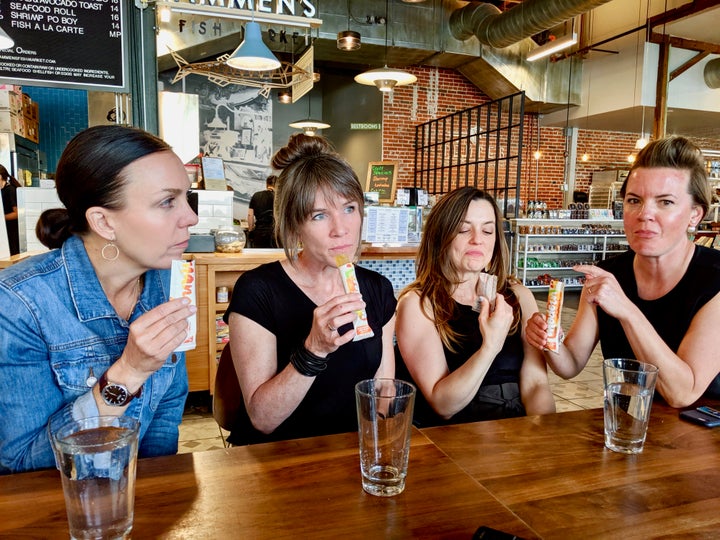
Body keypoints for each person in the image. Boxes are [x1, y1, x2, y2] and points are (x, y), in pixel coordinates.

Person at [0, 125, 199, 474]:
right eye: (168, 201)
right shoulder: (18, 304)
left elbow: (166, 416)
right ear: (104, 222)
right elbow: (21, 468)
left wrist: (153, 498)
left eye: (186, 197)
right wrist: (128, 373)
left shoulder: (169, 283)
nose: (191, 218)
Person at [223, 133, 396, 445]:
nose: (341, 229)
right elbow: (262, 419)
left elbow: (384, 390)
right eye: (319, 215)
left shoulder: (377, 289)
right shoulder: (258, 290)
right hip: (273, 461)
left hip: (349, 456)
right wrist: (314, 349)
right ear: (294, 226)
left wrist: (375, 451)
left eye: (349, 208)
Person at [526, 135, 720, 407]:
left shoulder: (714, 279)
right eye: (633, 200)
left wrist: (626, 309)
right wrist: (549, 340)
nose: (644, 214)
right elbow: (570, 364)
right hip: (625, 427)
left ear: (695, 215)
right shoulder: (607, 274)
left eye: (665, 202)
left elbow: (681, 392)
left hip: (701, 439)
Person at [395, 187, 556, 427]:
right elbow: (443, 405)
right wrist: (490, 346)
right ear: (440, 236)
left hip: (515, 437)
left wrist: (543, 435)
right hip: (454, 442)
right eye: (463, 229)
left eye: (487, 230)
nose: (477, 239)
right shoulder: (418, 305)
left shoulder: (519, 296)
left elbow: (536, 385)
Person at [247, 174, 278, 248]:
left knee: (259, 256)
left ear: (267, 184)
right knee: (274, 256)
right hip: (274, 233)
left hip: (259, 232)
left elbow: (250, 215)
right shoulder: (278, 197)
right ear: (277, 185)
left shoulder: (256, 195)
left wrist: (250, 230)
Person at [0, 164, 21, 255]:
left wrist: (2, 218)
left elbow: (17, 213)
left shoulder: (10, 190)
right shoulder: (3, 190)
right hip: (6, 231)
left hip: (13, 232)